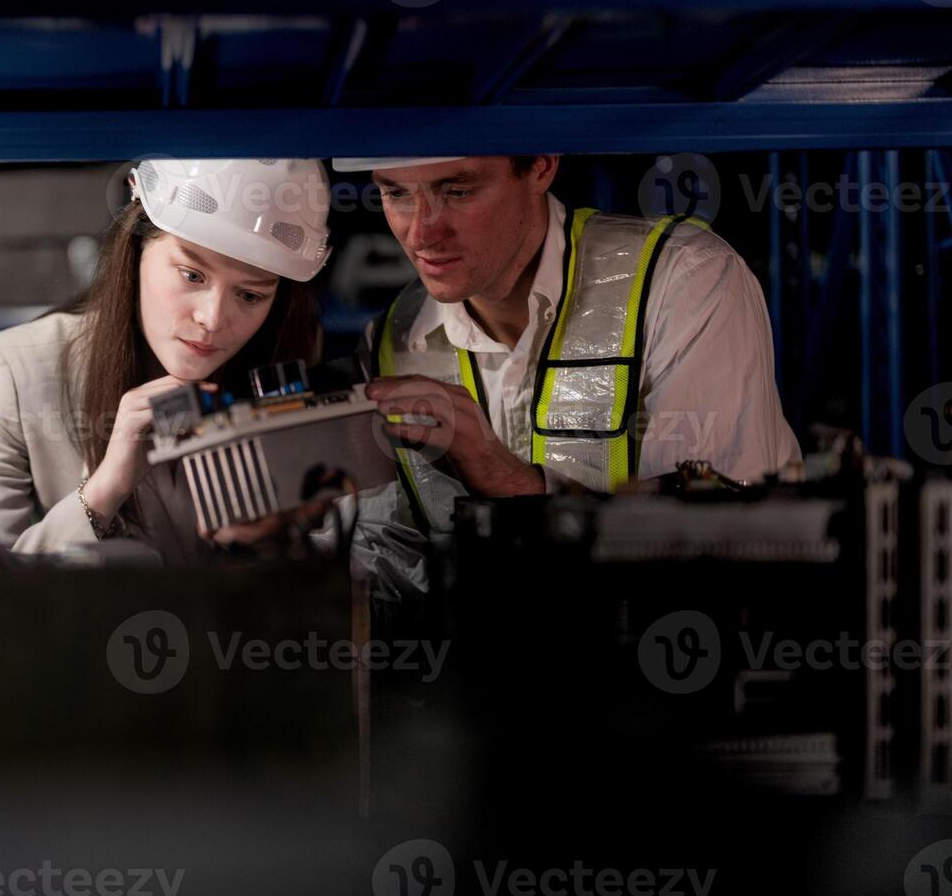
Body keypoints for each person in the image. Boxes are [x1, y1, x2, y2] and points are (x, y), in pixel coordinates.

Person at [330, 155, 802, 607]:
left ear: (541, 165)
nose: (422, 232)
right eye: (396, 193)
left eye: (457, 191)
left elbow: (723, 548)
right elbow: (384, 569)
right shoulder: (392, 341)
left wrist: (510, 485)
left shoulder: (682, 279)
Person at [0, 158, 333, 560]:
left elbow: (342, 572)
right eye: (192, 275)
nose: (211, 319)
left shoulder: (288, 359)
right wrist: (103, 492)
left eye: (249, 296)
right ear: (137, 245)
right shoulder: (13, 372)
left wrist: (280, 539)